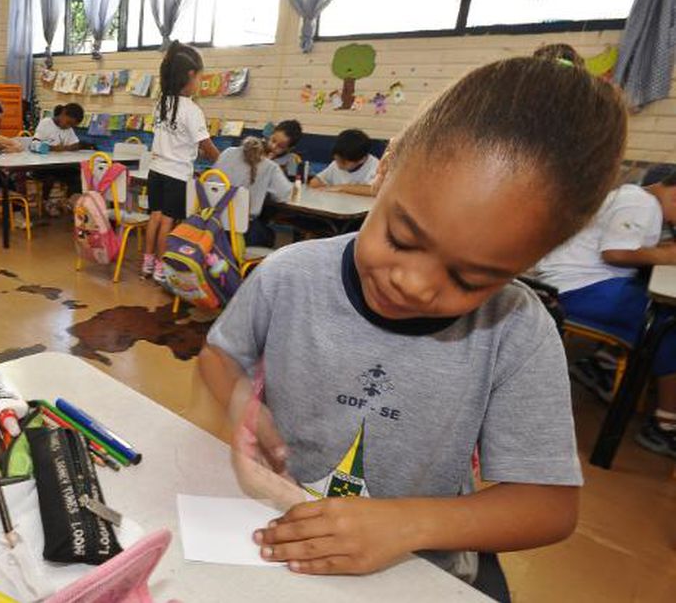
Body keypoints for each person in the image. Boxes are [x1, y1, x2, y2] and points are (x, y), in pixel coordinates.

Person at [198, 57, 626, 599]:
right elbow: (219, 355)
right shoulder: (289, 275)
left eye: (471, 278)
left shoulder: (516, 331)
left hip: (419, 574)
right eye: (402, 238)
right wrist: (244, 407)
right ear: (388, 165)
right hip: (280, 545)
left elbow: (550, 506)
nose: (416, 285)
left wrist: (407, 525)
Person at [535, 168, 676, 457]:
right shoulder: (641, 204)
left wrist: (660, 250)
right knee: (666, 325)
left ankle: (602, 365)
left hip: (577, 284)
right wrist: (667, 256)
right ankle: (665, 425)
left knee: (651, 307)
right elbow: (615, 253)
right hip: (576, 289)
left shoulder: (640, 199)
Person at [141, 41, 220, 283]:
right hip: (176, 175)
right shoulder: (192, 110)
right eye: (200, 78)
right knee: (168, 221)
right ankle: (163, 267)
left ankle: (147, 263)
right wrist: (223, 161)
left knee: (154, 217)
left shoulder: (161, 103)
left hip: (155, 171)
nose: (200, 83)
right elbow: (207, 148)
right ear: (190, 75)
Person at [214, 137, 292, 248]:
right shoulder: (270, 166)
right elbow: (283, 195)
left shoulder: (227, 153)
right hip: (242, 233)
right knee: (270, 234)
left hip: (213, 225)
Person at [309, 128, 378, 195]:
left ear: (362, 159)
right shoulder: (335, 164)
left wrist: (341, 188)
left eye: (344, 163)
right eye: (336, 160)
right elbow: (315, 182)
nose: (339, 165)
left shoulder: (376, 167)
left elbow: (375, 190)